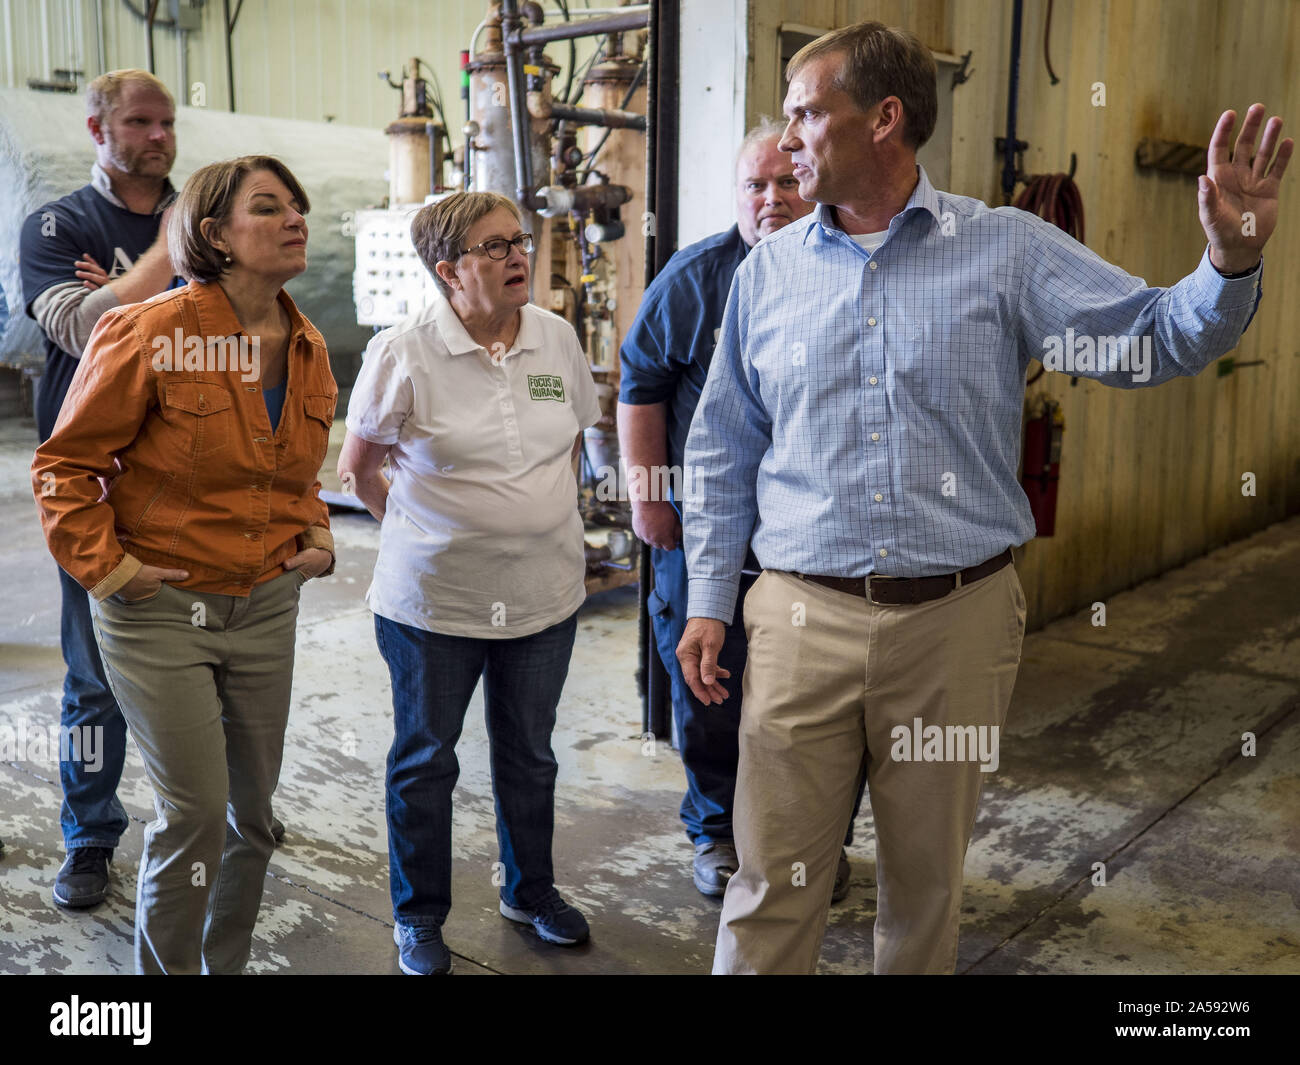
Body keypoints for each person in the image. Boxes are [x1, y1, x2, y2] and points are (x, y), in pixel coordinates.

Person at [678, 20, 1284, 974]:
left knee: (924, 891)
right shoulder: (768, 274)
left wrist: (1231, 262)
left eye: (806, 112)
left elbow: (1151, 338)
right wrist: (711, 597)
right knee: (770, 886)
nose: (787, 138)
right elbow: (720, 448)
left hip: (952, 624)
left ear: (885, 119)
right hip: (799, 619)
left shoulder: (1004, 251)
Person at [32, 156, 336, 974]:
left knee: (253, 818)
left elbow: (295, 474)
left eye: (297, 205)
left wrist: (316, 534)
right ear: (215, 236)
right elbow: (64, 468)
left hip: (266, 603)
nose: (294, 218)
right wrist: (110, 570)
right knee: (195, 814)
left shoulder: (306, 346)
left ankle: (222, 965)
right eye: (269, 207)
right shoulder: (146, 332)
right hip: (162, 608)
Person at [339, 191, 602, 976]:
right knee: (426, 759)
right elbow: (358, 471)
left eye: (519, 240)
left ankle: (531, 891)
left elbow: (574, 445)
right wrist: (431, 537)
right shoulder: (403, 352)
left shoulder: (555, 338)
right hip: (435, 605)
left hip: (544, 596)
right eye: (495, 247)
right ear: (450, 270)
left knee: (530, 753)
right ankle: (419, 915)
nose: (518, 254)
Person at [619, 120, 865, 901]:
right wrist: (652, 501)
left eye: (786, 183)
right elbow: (640, 384)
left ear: (813, 181)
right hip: (705, 530)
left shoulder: (851, 264)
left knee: (823, 705)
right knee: (711, 695)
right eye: (754, 186)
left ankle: (817, 842)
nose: (770, 200)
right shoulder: (696, 278)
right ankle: (719, 834)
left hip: (816, 539)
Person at [19, 69, 180, 910]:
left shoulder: (210, 213)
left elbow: (251, 326)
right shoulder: (55, 223)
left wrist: (120, 294)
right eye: (140, 122)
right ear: (98, 128)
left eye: (167, 122)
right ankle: (89, 834)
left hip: (196, 479)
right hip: (97, 485)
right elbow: (82, 329)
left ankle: (218, 812)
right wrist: (171, 265)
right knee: (92, 678)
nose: (159, 136)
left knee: (215, 664)